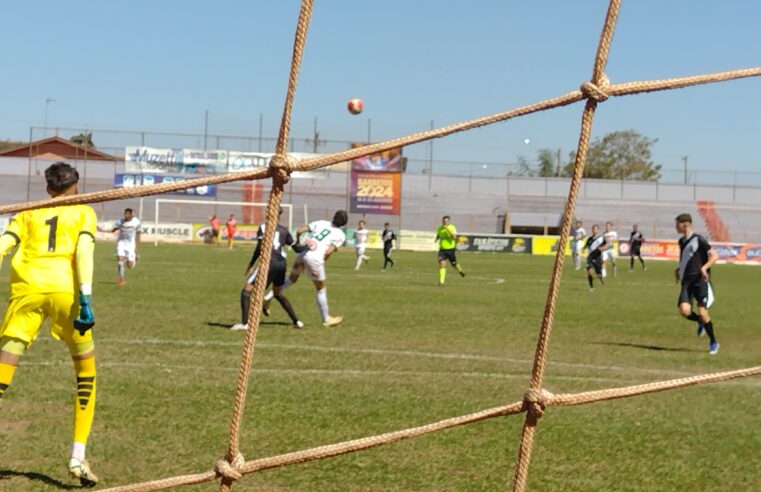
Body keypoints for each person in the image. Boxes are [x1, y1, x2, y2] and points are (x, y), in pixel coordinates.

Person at [0, 162, 99, 485]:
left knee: (5, 366)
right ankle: (77, 456)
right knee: (85, 371)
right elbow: (83, 250)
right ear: (76, 186)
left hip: (27, 291)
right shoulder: (84, 212)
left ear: (47, 189)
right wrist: (85, 297)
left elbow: (4, 243)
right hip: (65, 294)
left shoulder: (27, 211)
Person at [270, 210, 347, 327]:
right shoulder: (340, 234)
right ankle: (326, 318)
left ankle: (267, 298)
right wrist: (321, 261)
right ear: (344, 223)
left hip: (303, 255)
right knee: (321, 289)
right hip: (315, 259)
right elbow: (328, 251)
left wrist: (298, 242)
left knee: (291, 280)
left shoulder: (322, 223)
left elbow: (300, 230)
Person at [232, 208, 303, 330]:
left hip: (269, 262)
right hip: (282, 264)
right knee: (277, 293)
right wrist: (309, 246)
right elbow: (297, 249)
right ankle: (296, 321)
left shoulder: (263, 227)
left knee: (246, 291)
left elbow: (260, 247)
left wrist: (251, 264)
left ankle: (245, 324)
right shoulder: (284, 230)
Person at [675, 213, 719, 354]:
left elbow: (715, 255)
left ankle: (713, 342)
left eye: (677, 224)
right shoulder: (681, 241)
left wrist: (704, 268)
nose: (676, 227)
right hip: (687, 282)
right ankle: (700, 322)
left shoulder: (699, 239)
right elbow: (685, 258)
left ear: (685, 224)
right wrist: (678, 268)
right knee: (684, 310)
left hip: (700, 281)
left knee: (702, 312)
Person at [101, 208, 140, 286]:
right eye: (125, 214)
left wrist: (137, 250)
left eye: (128, 214)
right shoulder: (120, 222)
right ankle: (122, 279)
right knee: (120, 261)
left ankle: (133, 259)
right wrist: (110, 231)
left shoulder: (136, 222)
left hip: (131, 245)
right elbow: (114, 230)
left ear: (132, 215)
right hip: (121, 243)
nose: (126, 215)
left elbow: (138, 235)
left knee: (130, 266)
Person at [435, 215, 465, 285]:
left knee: (454, 264)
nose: (444, 222)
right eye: (443, 221)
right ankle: (441, 282)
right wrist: (436, 239)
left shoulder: (452, 227)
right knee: (441, 264)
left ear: (448, 221)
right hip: (442, 249)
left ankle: (459, 270)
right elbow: (439, 234)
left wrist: (447, 229)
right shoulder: (440, 228)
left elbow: (454, 238)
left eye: (446, 221)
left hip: (450, 250)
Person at [583, 224, 606, 291]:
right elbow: (585, 246)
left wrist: (602, 248)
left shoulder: (601, 238)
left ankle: (600, 278)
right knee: (589, 272)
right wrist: (583, 250)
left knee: (598, 273)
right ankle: (591, 287)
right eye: (593, 229)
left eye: (596, 229)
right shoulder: (589, 239)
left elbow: (606, 245)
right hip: (590, 258)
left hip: (597, 258)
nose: (594, 230)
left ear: (598, 230)